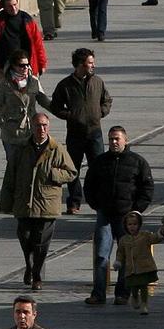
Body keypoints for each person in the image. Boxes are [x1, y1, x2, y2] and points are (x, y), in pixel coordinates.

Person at [2, 115, 76, 288]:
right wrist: (6, 202)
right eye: (37, 126)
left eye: (44, 126)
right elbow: (10, 175)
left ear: (48, 127)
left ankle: (37, 275)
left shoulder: (56, 148)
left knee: (41, 241)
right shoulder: (21, 148)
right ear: (32, 127)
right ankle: (30, 265)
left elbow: (72, 172)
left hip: (47, 203)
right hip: (24, 202)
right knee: (25, 236)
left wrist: (54, 174)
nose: (41, 129)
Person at [82, 126, 152, 307]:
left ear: (125, 140)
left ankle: (122, 293)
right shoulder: (100, 161)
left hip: (126, 216)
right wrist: (95, 205)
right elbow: (89, 185)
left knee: (126, 256)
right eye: (111, 139)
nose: (113, 142)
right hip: (104, 214)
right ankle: (98, 293)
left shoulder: (138, 162)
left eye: (117, 139)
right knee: (101, 255)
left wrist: (137, 211)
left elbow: (147, 188)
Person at [47, 48, 110, 214]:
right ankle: (74, 202)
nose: (93, 65)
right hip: (75, 134)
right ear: (80, 65)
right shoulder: (65, 85)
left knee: (98, 168)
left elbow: (107, 100)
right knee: (72, 169)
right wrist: (71, 116)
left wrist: (100, 112)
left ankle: (98, 202)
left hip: (95, 132)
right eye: (90, 63)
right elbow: (55, 106)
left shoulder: (97, 82)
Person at [0, 0, 47, 75]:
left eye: (15, 4)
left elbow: (38, 42)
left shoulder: (26, 20)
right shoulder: (0, 20)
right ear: (4, 7)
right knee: (3, 87)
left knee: (26, 88)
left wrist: (42, 64)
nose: (13, 8)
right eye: (9, 6)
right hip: (3, 64)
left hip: (24, 64)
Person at [113, 210, 161, 314]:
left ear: (139, 225)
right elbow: (120, 252)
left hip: (144, 267)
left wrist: (160, 233)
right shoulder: (123, 240)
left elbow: (155, 239)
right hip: (131, 269)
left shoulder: (145, 235)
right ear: (125, 225)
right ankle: (134, 296)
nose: (132, 227)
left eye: (135, 224)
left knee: (143, 286)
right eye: (130, 224)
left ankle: (144, 304)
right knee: (133, 287)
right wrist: (118, 262)